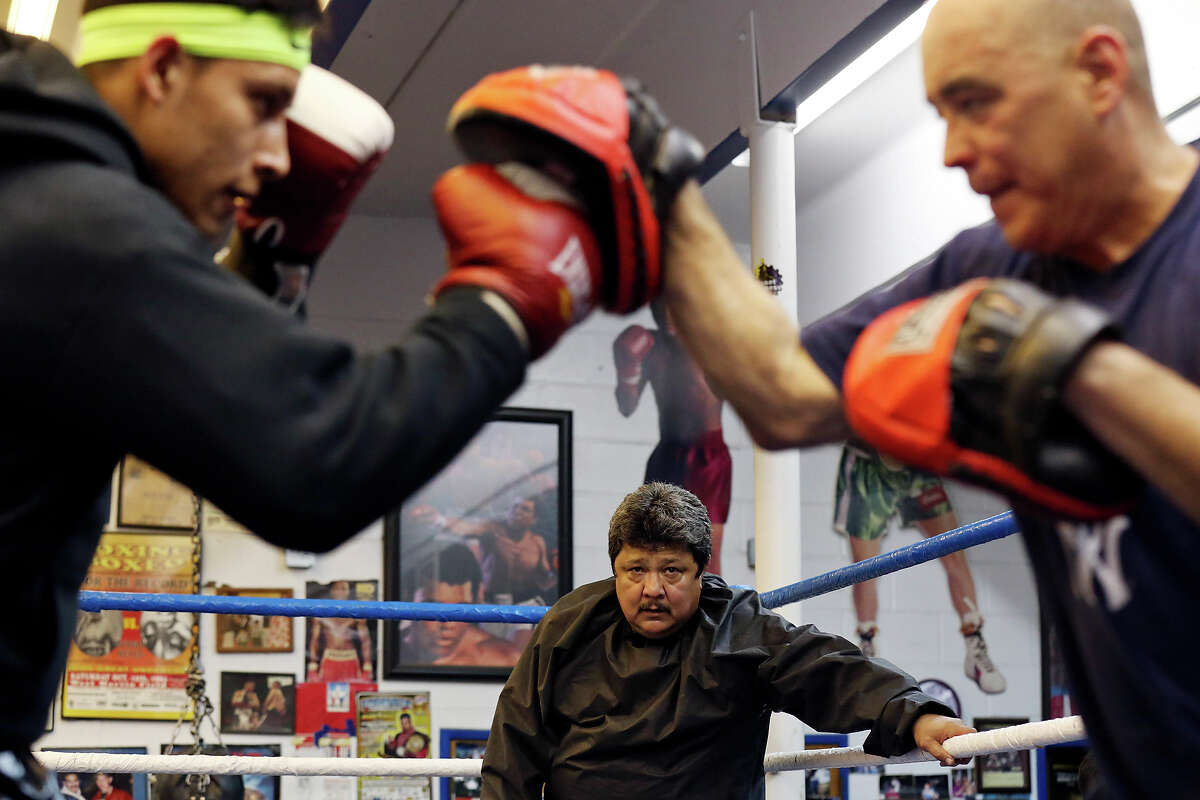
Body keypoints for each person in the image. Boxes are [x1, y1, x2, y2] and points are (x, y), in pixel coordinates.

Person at [2, 1, 690, 792]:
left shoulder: (34, 193)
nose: (274, 156)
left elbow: (212, 398)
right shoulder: (74, 226)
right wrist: (508, 301)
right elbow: (319, 463)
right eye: (262, 104)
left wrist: (273, 269)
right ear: (161, 69)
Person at [656, 1, 1199, 795]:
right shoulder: (992, 267)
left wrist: (1079, 369)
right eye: (941, 115)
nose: (952, 152)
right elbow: (782, 398)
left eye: (976, 103)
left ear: (1099, 72)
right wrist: (664, 203)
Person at [482, 483, 972, 798]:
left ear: (702, 574)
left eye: (672, 570)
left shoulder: (739, 625)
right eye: (635, 570)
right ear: (615, 569)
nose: (652, 589)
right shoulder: (570, 625)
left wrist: (915, 713)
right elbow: (515, 745)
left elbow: (824, 666)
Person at [834, 442, 1006, 693]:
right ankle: (867, 649)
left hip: (915, 457)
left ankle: (974, 646)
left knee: (954, 550)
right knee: (865, 569)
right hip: (869, 462)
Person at [613, 299, 732, 573]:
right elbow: (627, 406)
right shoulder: (650, 347)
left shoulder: (711, 345)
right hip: (666, 454)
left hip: (707, 457)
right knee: (650, 543)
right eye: (662, 306)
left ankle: (708, 614)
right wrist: (627, 369)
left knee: (705, 551)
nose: (668, 315)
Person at [410, 498, 555, 603]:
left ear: (534, 519)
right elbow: (466, 528)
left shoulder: (537, 542)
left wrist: (556, 576)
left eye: (525, 509)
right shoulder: (492, 529)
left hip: (525, 601)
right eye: (515, 507)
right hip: (490, 599)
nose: (517, 512)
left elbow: (545, 575)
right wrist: (438, 519)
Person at [408, 542, 524, 667]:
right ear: (410, 600)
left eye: (461, 610)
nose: (447, 624)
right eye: (434, 608)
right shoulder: (391, 649)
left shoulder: (503, 658)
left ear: (475, 602)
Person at [307, 580, 373, 681]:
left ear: (348, 592)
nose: (340, 592)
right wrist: (312, 665)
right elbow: (314, 640)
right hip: (329, 658)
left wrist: (367, 666)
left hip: (350, 659)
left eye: (343, 589)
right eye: (337, 588)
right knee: (324, 694)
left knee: (353, 694)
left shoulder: (357, 613)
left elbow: (365, 641)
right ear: (332, 591)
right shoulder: (321, 614)